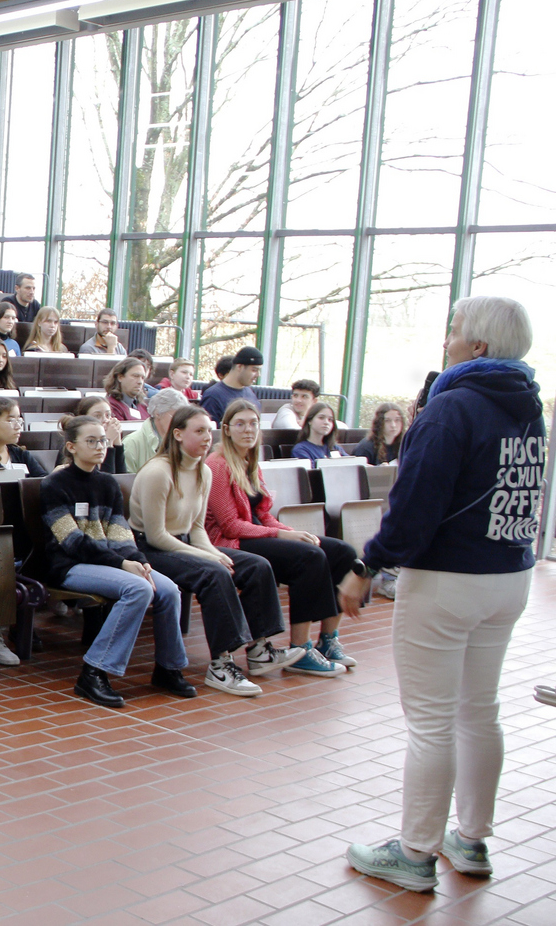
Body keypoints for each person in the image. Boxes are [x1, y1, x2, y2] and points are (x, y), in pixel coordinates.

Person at [342, 297, 544, 892]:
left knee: (431, 723)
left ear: (476, 347)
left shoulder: (452, 408)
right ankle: (472, 840)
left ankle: (414, 853)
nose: (447, 340)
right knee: (480, 711)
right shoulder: (529, 407)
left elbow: (414, 506)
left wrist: (367, 564)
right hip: (508, 575)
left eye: (453, 330)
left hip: (449, 580)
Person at [128, 405, 298, 698]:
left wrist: (212, 550)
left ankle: (260, 649)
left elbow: (196, 527)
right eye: (199, 431)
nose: (208, 437)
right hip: (150, 549)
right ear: (178, 434)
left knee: (257, 565)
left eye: (209, 430)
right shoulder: (158, 471)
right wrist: (208, 556)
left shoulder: (203, 471)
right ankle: (221, 663)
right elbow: (156, 536)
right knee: (215, 573)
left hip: (185, 542)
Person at [42, 413, 190, 706]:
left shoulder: (108, 484)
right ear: (71, 447)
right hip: (70, 566)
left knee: (169, 589)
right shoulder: (54, 484)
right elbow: (72, 541)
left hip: (108, 563)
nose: (100, 447)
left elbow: (122, 535)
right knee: (138, 588)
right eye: (91, 441)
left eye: (103, 441)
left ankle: (168, 669)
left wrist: (137, 560)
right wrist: (122, 564)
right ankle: (94, 672)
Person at [207, 400, 356, 677]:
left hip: (253, 534)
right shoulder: (217, 465)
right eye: (240, 424)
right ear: (226, 429)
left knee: (342, 552)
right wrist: (281, 534)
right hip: (230, 542)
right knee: (310, 557)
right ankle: (301, 647)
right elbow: (230, 526)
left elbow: (263, 514)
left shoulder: (250, 461)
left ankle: (329, 640)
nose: (248, 430)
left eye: (253, 423)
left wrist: (288, 532)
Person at [124, 387, 190, 473]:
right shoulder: (131, 444)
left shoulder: (184, 441)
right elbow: (126, 482)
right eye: (175, 417)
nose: (180, 422)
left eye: (183, 418)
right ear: (158, 413)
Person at [56, 395, 128, 474]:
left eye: (108, 415)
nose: (105, 420)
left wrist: (117, 442)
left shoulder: (110, 436)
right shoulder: (75, 443)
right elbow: (104, 480)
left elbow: (122, 476)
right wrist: (108, 441)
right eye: (97, 416)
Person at [200, 345, 263, 422]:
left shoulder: (250, 393)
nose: (258, 375)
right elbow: (209, 430)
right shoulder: (213, 396)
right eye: (254, 370)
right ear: (239, 367)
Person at [104, 357, 150, 422]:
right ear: (120, 377)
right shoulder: (111, 407)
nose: (140, 382)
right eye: (135, 376)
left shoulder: (143, 406)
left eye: (142, 378)